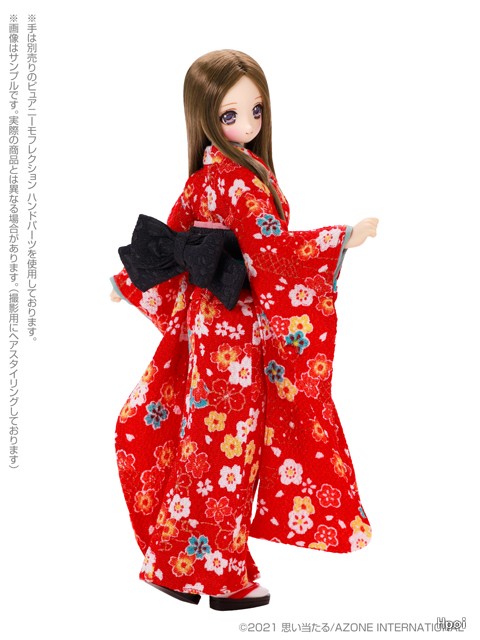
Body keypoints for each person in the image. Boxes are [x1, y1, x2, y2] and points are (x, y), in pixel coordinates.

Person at [110, 49, 378, 611]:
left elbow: (172, 242)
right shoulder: (238, 183)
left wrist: (128, 281)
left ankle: (179, 564)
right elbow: (268, 254)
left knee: (205, 446)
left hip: (207, 330)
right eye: (230, 115)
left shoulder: (206, 180)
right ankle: (220, 574)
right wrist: (340, 239)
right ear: (205, 117)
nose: (248, 124)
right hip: (233, 336)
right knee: (229, 453)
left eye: (255, 110)